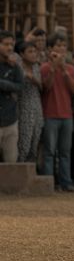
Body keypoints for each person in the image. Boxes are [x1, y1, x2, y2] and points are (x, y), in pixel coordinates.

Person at [40, 34, 74, 190]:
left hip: (66, 115)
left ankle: (66, 182)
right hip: (50, 115)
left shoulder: (70, 69)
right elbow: (46, 87)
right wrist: (54, 68)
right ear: (50, 49)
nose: (62, 49)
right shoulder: (44, 68)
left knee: (65, 152)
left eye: (64, 45)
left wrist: (64, 71)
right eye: (58, 45)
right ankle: (49, 183)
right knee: (49, 152)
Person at [15, 41, 43, 163]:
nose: (33, 54)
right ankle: (20, 174)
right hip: (23, 107)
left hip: (37, 107)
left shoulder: (36, 67)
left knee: (35, 142)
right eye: (30, 52)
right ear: (22, 54)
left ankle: (30, 174)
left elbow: (42, 87)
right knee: (24, 143)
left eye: (35, 51)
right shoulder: (17, 66)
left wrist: (33, 79)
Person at [0, 30, 23, 162]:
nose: (9, 47)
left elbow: (20, 87)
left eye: (11, 45)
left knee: (11, 164)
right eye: (5, 44)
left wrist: (2, 84)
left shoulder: (14, 67)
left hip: (10, 121)